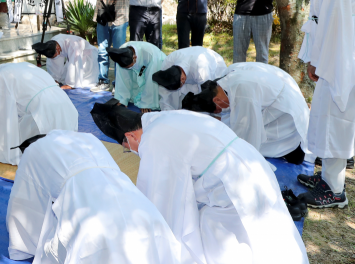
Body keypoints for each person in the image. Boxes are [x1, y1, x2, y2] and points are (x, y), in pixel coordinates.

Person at [93, 107, 309, 264]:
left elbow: (161, 199)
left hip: (234, 188)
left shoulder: (154, 139)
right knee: (269, 234)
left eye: (126, 147)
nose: (131, 151)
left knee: (215, 232)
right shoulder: (164, 117)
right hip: (252, 166)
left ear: (130, 136)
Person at [265, 0, 355, 209]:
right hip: (328, 59)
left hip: (339, 60)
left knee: (337, 122)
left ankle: (336, 190)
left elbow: (337, 30)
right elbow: (317, 22)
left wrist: (319, 61)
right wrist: (312, 59)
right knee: (325, 120)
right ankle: (327, 179)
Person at [6, 129, 188, 264]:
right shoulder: (85, 137)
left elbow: (24, 202)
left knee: (96, 242)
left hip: (90, 216)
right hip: (133, 201)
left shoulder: (33, 151)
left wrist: (22, 247)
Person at [183, 62, 310, 164]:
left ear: (216, 100)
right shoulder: (225, 82)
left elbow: (245, 133)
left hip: (286, 112)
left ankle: (295, 150)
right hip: (277, 94)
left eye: (218, 110)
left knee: (271, 145)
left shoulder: (242, 95)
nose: (221, 112)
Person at [0, 62, 78, 165]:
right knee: (59, 143)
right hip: (65, 103)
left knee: (47, 151)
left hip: (46, 109)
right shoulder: (20, 66)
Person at [90, 0, 136, 93]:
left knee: (118, 51)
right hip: (103, 14)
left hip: (119, 16)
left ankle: (118, 83)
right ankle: (103, 80)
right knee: (102, 49)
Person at [152, 46, 227, 111]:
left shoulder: (201, 70)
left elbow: (207, 95)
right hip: (194, 63)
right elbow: (164, 92)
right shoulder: (169, 62)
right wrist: (166, 110)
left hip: (213, 67)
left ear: (183, 79)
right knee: (173, 100)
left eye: (180, 86)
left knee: (207, 105)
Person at [108, 42, 166, 111]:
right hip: (140, 73)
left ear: (135, 57)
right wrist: (122, 98)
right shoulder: (121, 52)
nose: (128, 68)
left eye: (130, 66)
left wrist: (146, 103)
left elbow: (151, 80)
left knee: (154, 88)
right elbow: (122, 77)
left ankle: (148, 100)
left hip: (157, 67)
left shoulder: (149, 54)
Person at [31, 34, 98, 89]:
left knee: (84, 82)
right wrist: (55, 79)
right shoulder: (52, 43)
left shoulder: (73, 44)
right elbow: (54, 62)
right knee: (62, 78)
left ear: (57, 48)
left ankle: (72, 83)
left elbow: (74, 64)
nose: (55, 57)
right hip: (71, 57)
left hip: (88, 56)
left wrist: (70, 84)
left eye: (55, 55)